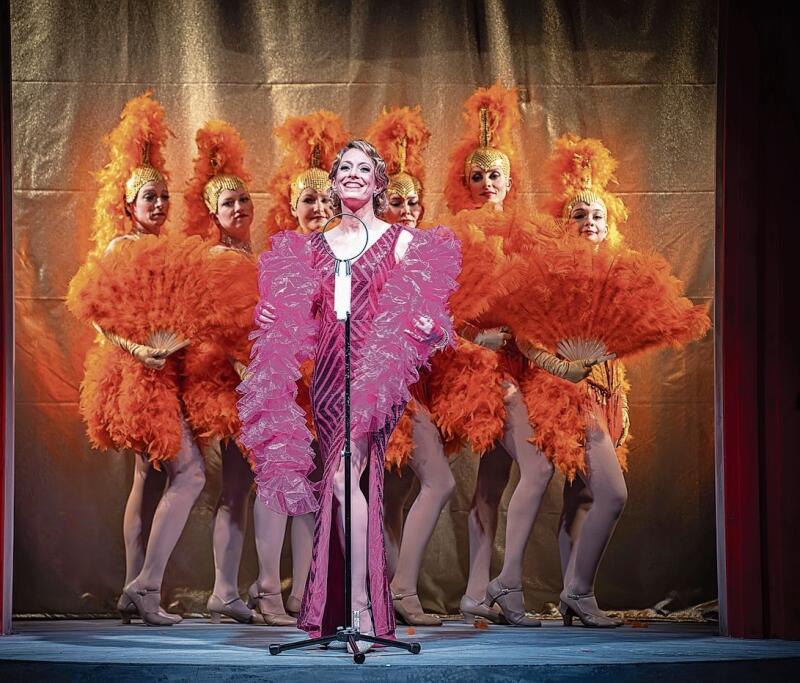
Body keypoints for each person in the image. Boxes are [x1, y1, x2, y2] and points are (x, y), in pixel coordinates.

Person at [239, 139, 460, 649]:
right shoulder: (313, 247)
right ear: (334, 182)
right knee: (343, 482)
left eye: (364, 169)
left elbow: (430, 319)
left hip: (376, 375)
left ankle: (359, 605)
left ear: (379, 183)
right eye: (345, 169)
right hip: (328, 379)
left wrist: (426, 327)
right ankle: (346, 608)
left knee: (343, 480)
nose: (354, 175)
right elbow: (295, 314)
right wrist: (271, 316)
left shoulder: (402, 241)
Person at [506, 133, 710, 627]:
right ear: (565, 223)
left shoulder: (621, 270)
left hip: (609, 392)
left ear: (608, 223)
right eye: (580, 215)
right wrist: (562, 366)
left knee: (583, 497)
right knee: (613, 495)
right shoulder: (550, 272)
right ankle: (579, 590)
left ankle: (573, 597)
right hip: (568, 395)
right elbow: (527, 336)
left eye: (597, 216)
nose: (590, 223)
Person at [67, 93, 207, 625]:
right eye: (149, 197)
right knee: (189, 474)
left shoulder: (166, 248)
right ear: (128, 203)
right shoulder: (119, 248)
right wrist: (137, 350)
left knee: (147, 480)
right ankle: (147, 585)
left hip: (160, 371)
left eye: (164, 196)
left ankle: (133, 590)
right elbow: (95, 313)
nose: (159, 205)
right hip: (136, 376)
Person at [428, 84, 558, 626]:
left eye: (495, 176)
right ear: (466, 181)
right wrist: (469, 340)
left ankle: (478, 592)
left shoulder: (529, 234)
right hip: (481, 372)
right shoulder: (451, 236)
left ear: (510, 180)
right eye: (477, 176)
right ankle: (505, 586)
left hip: (525, 367)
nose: (486, 185)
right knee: (532, 467)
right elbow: (433, 312)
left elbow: (545, 300)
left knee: (494, 480)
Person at [365, 105, 453, 626]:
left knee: (393, 493)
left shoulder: (423, 250)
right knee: (437, 482)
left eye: (414, 201)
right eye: (396, 201)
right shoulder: (374, 251)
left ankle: (391, 588)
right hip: (382, 385)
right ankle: (400, 588)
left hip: (412, 384)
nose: (408, 208)